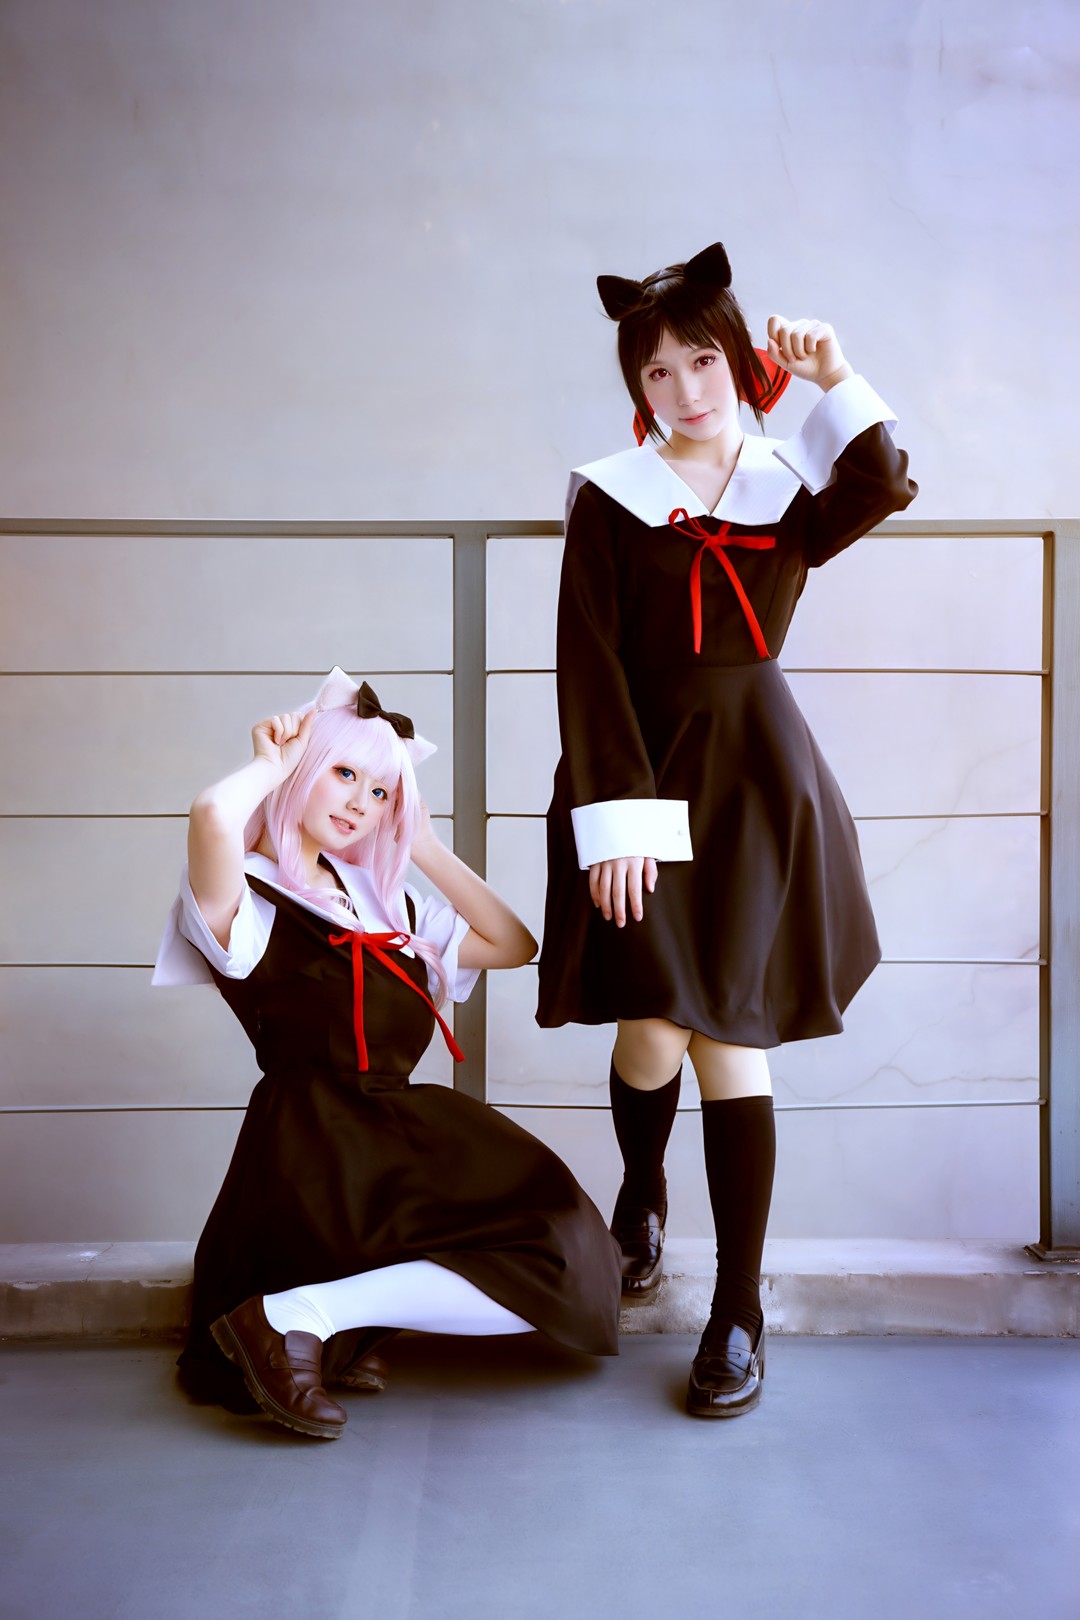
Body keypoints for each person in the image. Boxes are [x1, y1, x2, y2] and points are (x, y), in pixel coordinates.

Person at [537, 241, 917, 1417]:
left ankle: (737, 1313)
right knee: (653, 1027)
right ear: (636, 388)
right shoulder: (609, 495)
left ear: (738, 362)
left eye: (702, 361)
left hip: (756, 784)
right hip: (643, 773)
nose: (684, 389)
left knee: (728, 1037)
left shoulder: (784, 485)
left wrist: (834, 374)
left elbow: (882, 479)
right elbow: (589, 665)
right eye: (657, 372)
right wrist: (617, 822)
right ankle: (642, 1188)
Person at [153, 667, 620, 1439]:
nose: (359, 804)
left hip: (394, 1142)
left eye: (380, 793)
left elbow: (513, 942)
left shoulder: (386, 901)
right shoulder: (247, 896)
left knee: (571, 1257)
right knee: (552, 1257)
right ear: (303, 767)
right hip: (310, 1151)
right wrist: (270, 764)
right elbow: (210, 815)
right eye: (343, 774)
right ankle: (298, 1321)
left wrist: (424, 844)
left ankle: (311, 1316)